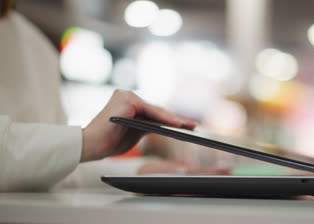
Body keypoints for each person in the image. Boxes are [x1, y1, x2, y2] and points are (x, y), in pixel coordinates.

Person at [0, 1, 200, 191]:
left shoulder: (35, 45)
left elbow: (51, 169)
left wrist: (141, 170)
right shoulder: (36, 46)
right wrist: (86, 141)